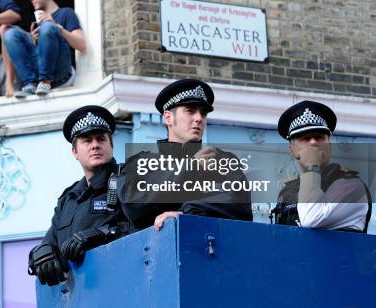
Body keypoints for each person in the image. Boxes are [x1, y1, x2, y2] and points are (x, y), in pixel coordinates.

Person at [118, 79, 253, 231]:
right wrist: (190, 168)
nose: (199, 118)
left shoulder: (223, 160)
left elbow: (241, 209)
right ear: (168, 117)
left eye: (203, 113)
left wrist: (187, 213)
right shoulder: (142, 163)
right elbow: (135, 208)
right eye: (190, 111)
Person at [28, 106, 129, 287]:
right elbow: (50, 242)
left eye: (101, 139)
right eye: (87, 141)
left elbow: (145, 225)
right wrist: (39, 253)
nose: (95, 145)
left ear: (111, 146)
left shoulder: (128, 178)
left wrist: (103, 234)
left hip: (118, 285)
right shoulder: (69, 198)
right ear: (75, 152)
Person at [271, 100, 371, 232]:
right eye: (305, 138)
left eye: (319, 137)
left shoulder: (351, 186)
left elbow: (312, 219)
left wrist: (312, 167)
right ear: (292, 150)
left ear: (329, 145)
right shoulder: (287, 192)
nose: (313, 143)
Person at [5, 0, 86, 98]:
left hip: (61, 74)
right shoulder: (37, 22)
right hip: (39, 75)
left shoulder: (66, 13)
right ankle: (31, 83)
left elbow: (82, 45)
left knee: (48, 27)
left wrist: (57, 27)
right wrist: (33, 42)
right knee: (10, 34)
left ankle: (45, 81)